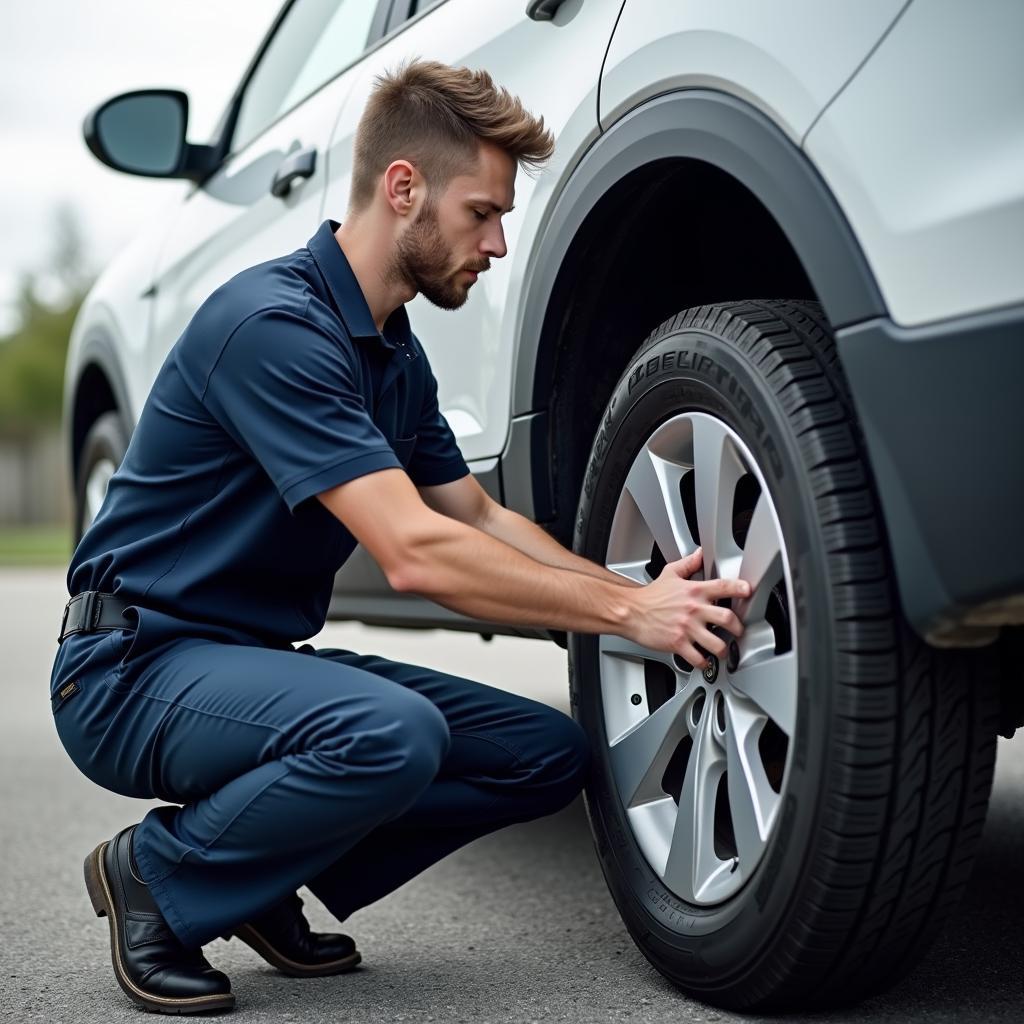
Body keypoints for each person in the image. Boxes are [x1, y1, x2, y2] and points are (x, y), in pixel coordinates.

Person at [50, 58, 750, 1015]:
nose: (498, 243)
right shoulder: (273, 326)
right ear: (403, 187)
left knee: (544, 753)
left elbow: (474, 514)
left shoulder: (389, 349)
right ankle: (160, 875)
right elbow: (416, 553)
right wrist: (630, 609)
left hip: (243, 664)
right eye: (482, 213)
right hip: (129, 671)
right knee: (391, 735)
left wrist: (630, 596)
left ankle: (249, 879)